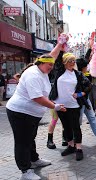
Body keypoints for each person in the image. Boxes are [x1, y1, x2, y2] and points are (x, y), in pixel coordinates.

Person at [6, 35, 67, 180]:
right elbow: (37, 98)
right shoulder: (33, 75)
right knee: (22, 141)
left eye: (52, 65)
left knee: (30, 138)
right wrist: (55, 106)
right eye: (49, 65)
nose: (51, 67)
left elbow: (51, 56)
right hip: (20, 112)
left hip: (31, 114)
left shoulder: (42, 67)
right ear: (40, 63)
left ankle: (34, 160)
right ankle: (25, 171)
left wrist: (59, 45)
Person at [49, 52, 92, 161]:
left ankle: (78, 148)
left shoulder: (77, 74)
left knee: (75, 127)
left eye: (73, 61)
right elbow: (57, 59)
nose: (72, 63)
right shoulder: (59, 72)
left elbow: (88, 85)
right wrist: (61, 46)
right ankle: (71, 146)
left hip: (74, 105)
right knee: (66, 127)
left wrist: (80, 94)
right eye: (70, 61)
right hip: (60, 105)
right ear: (64, 62)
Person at [76, 57, 96, 143]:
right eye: (86, 66)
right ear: (83, 67)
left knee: (92, 117)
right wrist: (80, 94)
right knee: (78, 121)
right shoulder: (76, 75)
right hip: (80, 101)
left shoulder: (85, 73)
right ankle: (74, 139)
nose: (87, 67)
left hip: (86, 100)